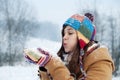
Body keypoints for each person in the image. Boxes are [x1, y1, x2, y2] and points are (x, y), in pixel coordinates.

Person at [24, 13, 115, 80]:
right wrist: (45, 66)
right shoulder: (69, 59)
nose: (64, 37)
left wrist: (53, 64)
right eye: (63, 34)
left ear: (83, 38)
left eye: (70, 33)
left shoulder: (100, 61)